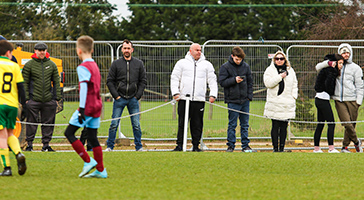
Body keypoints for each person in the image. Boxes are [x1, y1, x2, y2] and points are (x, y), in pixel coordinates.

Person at [64, 35, 107, 178]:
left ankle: (88, 161)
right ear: (92, 50)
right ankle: (101, 170)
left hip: (87, 107)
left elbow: (83, 88)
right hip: (97, 106)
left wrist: (81, 109)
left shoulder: (82, 67)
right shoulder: (95, 65)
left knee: (69, 133)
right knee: (93, 138)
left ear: (79, 51)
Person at [316, 43, 364, 153]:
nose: (346, 54)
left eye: (348, 52)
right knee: (346, 123)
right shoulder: (335, 65)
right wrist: (328, 63)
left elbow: (360, 86)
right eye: (343, 52)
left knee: (351, 125)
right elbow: (318, 68)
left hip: (352, 99)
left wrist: (358, 101)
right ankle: (357, 142)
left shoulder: (356, 68)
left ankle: (345, 147)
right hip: (339, 100)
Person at [171, 43, 218, 152]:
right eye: (196, 50)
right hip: (183, 99)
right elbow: (174, 78)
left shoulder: (207, 65)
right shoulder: (181, 63)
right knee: (182, 123)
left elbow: (212, 80)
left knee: (197, 123)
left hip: (199, 99)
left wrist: (213, 94)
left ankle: (196, 146)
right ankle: (180, 145)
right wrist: (175, 92)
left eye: (200, 50)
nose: (199, 52)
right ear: (190, 51)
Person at [106, 39, 147, 151]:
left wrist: (137, 96)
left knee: (136, 125)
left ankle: (139, 147)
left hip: (133, 99)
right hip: (119, 99)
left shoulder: (139, 64)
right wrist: (116, 96)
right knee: (114, 124)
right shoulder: (116, 64)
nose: (126, 50)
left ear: (132, 50)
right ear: (122, 50)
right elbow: (110, 81)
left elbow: (143, 81)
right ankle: (110, 146)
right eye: (124, 48)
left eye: (128, 48)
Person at [22, 42, 61, 152]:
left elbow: (56, 82)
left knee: (48, 123)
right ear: (35, 51)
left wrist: (56, 98)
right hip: (33, 100)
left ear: (46, 51)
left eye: (43, 50)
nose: (42, 52)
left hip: (48, 100)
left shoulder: (52, 64)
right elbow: (24, 82)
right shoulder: (29, 65)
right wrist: (25, 99)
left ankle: (46, 145)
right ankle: (29, 144)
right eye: (40, 50)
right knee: (31, 123)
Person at [218, 46, 255, 152]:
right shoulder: (225, 67)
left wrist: (249, 97)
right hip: (232, 100)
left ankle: (245, 145)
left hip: (245, 101)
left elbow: (250, 82)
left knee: (245, 124)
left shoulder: (246, 66)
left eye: (240, 59)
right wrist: (234, 80)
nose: (239, 61)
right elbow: (222, 82)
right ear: (232, 56)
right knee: (232, 124)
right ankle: (231, 145)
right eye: (237, 59)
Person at [0, 40, 27, 176]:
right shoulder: (14, 66)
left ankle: (7, 168)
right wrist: (24, 105)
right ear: (8, 52)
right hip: (12, 104)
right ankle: (18, 153)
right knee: (10, 133)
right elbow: (21, 87)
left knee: (1, 136)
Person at [263, 51, 298, 152]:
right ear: (274, 60)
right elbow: (268, 83)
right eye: (277, 59)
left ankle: (282, 148)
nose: (279, 60)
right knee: (275, 126)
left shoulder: (291, 71)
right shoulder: (270, 70)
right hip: (275, 102)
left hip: (287, 102)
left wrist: (293, 96)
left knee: (284, 127)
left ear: (285, 60)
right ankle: (275, 148)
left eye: (281, 59)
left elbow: (295, 84)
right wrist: (280, 77)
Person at [313, 54, 344, 153]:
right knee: (331, 123)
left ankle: (316, 148)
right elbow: (328, 85)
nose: (341, 65)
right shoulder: (331, 71)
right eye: (340, 63)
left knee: (321, 124)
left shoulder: (325, 70)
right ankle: (331, 148)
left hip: (319, 98)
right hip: (323, 99)